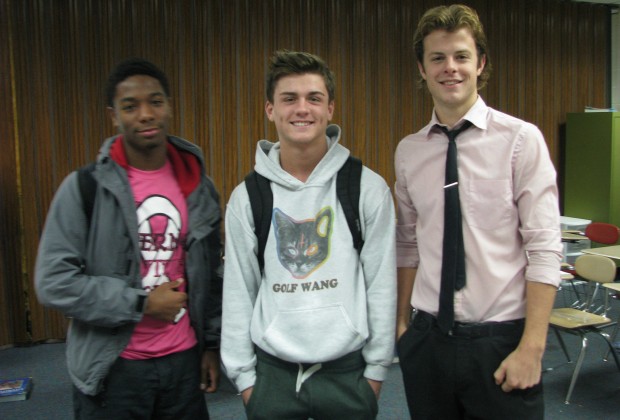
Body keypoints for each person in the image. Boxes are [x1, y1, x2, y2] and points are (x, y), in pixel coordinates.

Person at [394, 5, 562, 419]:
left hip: (500, 343)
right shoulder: (409, 152)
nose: (450, 68)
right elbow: (407, 244)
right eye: (437, 58)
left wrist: (532, 347)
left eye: (461, 56)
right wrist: (402, 326)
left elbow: (544, 248)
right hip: (428, 340)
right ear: (422, 68)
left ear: (480, 63)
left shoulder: (521, 140)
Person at [35, 58, 223, 419]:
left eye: (155, 102)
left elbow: (212, 275)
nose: (146, 114)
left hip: (182, 364)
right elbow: (53, 282)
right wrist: (141, 303)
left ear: (169, 107)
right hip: (115, 368)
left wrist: (210, 346)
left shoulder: (198, 186)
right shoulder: (85, 188)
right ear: (113, 116)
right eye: (130, 106)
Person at [221, 50, 396, 419]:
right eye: (289, 98)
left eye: (313, 98)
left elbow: (381, 285)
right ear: (270, 109)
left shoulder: (366, 188)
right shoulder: (248, 198)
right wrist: (246, 382)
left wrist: (376, 372)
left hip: (349, 376)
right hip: (272, 378)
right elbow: (239, 291)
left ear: (330, 109)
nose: (302, 108)